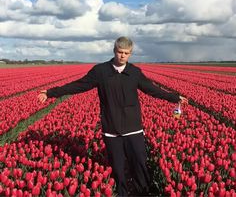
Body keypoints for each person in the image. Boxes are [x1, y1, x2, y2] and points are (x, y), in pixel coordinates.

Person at [38, 36, 188, 196]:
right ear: (114, 51)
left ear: (130, 54)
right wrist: (50, 93)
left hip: (133, 128)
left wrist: (174, 97)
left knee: (139, 164)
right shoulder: (101, 71)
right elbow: (78, 85)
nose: (122, 55)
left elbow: (153, 89)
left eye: (126, 53)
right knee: (118, 168)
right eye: (120, 52)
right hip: (111, 128)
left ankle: (143, 193)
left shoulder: (134, 73)